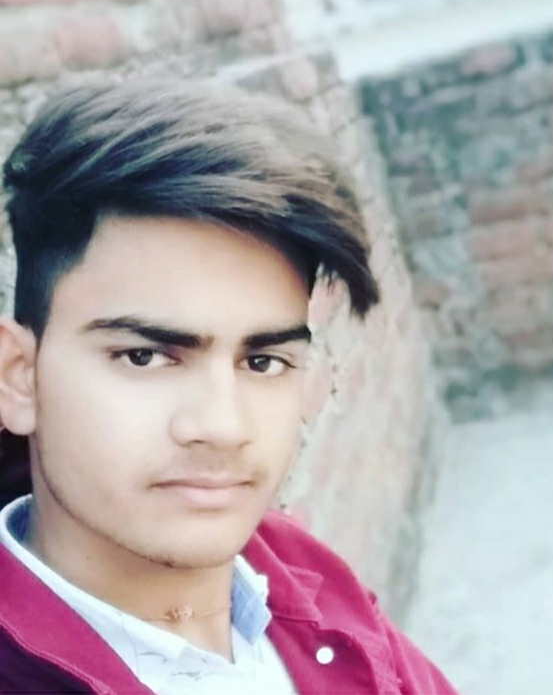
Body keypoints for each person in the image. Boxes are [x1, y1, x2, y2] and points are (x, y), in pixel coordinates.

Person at [0, 80, 456, 694]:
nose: (223, 427)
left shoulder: (303, 578)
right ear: (19, 377)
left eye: (263, 362)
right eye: (145, 357)